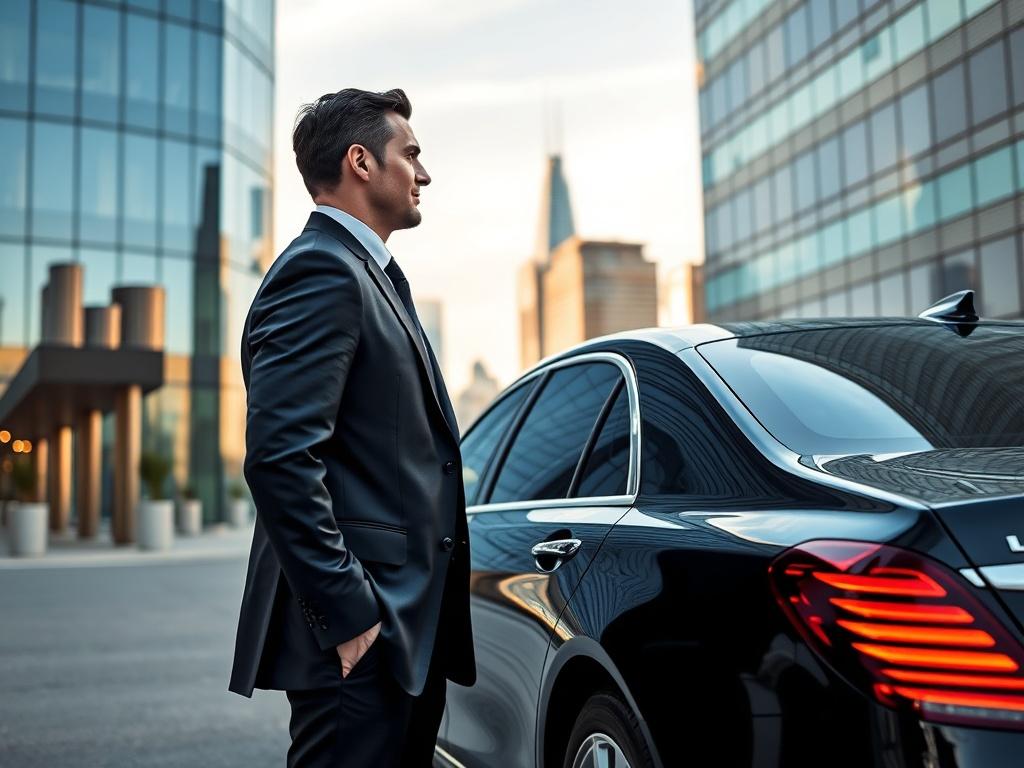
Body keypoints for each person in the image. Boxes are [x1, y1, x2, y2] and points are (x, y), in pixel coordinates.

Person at [228, 88, 475, 767]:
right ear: (361, 162)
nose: (423, 174)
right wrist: (351, 614)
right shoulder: (321, 271)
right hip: (362, 635)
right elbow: (279, 458)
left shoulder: (367, 274)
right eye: (412, 155)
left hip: (399, 632)